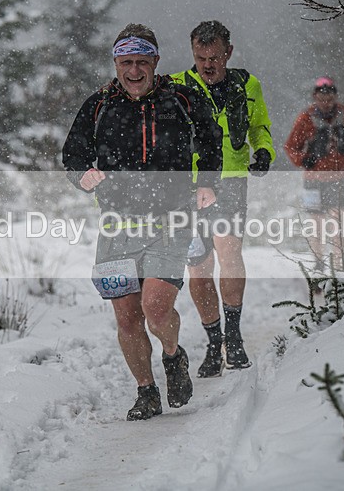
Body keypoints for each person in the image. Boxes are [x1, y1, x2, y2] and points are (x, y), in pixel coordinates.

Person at [62, 24, 223, 421]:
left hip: (172, 219)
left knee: (154, 307)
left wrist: (206, 183)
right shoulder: (99, 104)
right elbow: (73, 154)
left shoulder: (181, 98)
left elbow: (210, 138)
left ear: (155, 62)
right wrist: (82, 175)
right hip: (118, 225)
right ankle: (146, 391)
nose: (133, 71)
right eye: (125, 62)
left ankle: (173, 355)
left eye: (141, 62)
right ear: (116, 63)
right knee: (127, 316)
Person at [171, 21, 275, 378]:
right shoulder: (176, 87)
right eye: (201, 58)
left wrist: (263, 150)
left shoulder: (248, 84)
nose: (208, 65)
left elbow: (260, 126)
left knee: (229, 251)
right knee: (198, 265)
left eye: (214, 57)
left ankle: (234, 334)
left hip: (231, 179)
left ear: (228, 52)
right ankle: (214, 341)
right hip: (189, 183)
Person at [284, 76, 344, 272]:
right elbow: (291, 146)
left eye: (329, 99)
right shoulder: (306, 118)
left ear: (335, 97)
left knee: (339, 224)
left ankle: (339, 265)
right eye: (321, 99)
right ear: (314, 97)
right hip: (313, 180)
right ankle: (318, 263)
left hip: (341, 178)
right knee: (316, 223)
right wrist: (302, 159)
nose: (326, 103)